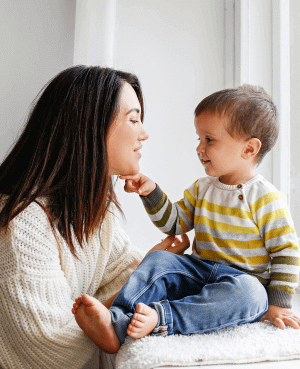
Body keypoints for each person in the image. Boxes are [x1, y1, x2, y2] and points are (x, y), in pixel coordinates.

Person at [72, 84, 300, 350]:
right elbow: (174, 223)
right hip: (199, 271)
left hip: (240, 282)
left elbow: (285, 252)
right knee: (159, 259)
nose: (199, 148)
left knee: (250, 294)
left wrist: (276, 306)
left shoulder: (266, 198)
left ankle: (162, 318)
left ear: (249, 149)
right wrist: (151, 193)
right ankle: (116, 320)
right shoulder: (202, 188)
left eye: (209, 140)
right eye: (199, 139)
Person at [0, 65, 189, 368]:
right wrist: (132, 288)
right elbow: (51, 345)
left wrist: (153, 266)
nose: (144, 132)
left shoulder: (92, 213)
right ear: (90, 126)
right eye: (134, 119)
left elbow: (121, 273)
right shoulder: (22, 223)